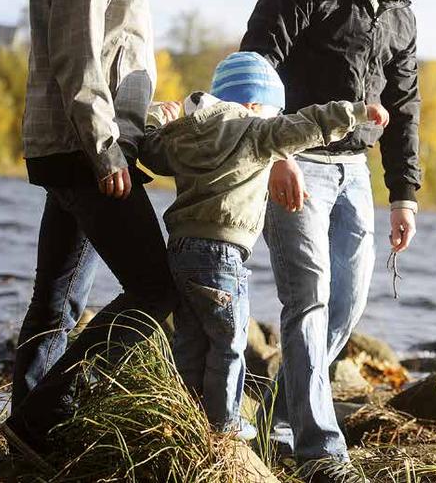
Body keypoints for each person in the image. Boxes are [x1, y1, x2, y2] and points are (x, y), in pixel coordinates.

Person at [239, 0, 436, 480]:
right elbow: (256, 71)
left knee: (346, 302)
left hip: (354, 170)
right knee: (306, 298)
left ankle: (271, 418)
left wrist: (405, 195)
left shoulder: (401, 16)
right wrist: (274, 151)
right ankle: (319, 454)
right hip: (297, 161)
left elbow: (405, 110)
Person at [2, 0, 189, 468]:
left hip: (70, 142)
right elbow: (78, 48)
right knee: (158, 290)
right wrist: (109, 146)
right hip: (85, 146)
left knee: (57, 294)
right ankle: (40, 421)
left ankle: (24, 434)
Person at [137, 51, 389, 444]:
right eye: (275, 111)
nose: (277, 119)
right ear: (255, 104)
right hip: (224, 254)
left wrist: (156, 118)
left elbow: (149, 150)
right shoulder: (256, 130)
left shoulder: (186, 131)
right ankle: (224, 426)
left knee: (190, 339)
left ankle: (184, 415)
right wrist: (355, 112)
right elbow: (307, 125)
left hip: (182, 250)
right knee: (229, 342)